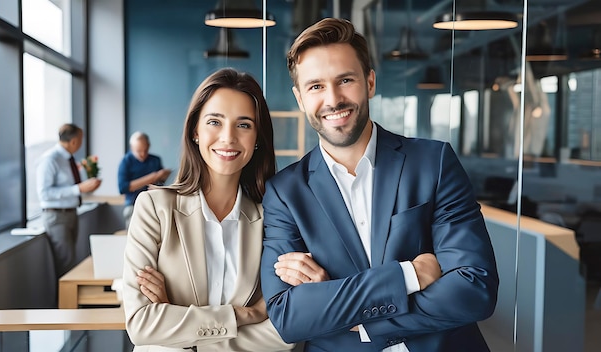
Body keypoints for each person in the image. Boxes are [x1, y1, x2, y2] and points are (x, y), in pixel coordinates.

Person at [260, 18, 499, 351]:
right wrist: (408, 276)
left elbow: (474, 289)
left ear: (369, 82)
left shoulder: (434, 163)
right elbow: (289, 316)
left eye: (345, 80)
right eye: (316, 86)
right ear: (300, 98)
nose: (333, 99)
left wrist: (353, 316)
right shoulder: (285, 193)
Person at [121, 68, 295, 352]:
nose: (228, 138)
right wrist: (245, 315)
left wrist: (178, 327)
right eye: (215, 121)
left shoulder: (273, 219)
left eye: (244, 125)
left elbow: (283, 334)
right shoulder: (154, 208)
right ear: (195, 131)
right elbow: (142, 325)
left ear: (257, 138)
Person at [36, 123, 102, 278]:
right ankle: (65, 302)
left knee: (70, 263)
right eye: (81, 140)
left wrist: (86, 187)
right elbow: (44, 194)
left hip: (71, 214)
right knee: (66, 265)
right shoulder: (50, 159)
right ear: (74, 141)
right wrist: (78, 189)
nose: (81, 144)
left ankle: (68, 301)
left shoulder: (69, 160)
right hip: (57, 217)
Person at [118, 131, 171, 228]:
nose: (143, 154)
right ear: (132, 148)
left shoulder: (155, 160)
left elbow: (162, 182)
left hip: (155, 203)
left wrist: (165, 174)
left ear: (149, 146)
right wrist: (153, 176)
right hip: (133, 205)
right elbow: (123, 188)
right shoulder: (126, 162)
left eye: (145, 150)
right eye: (139, 151)